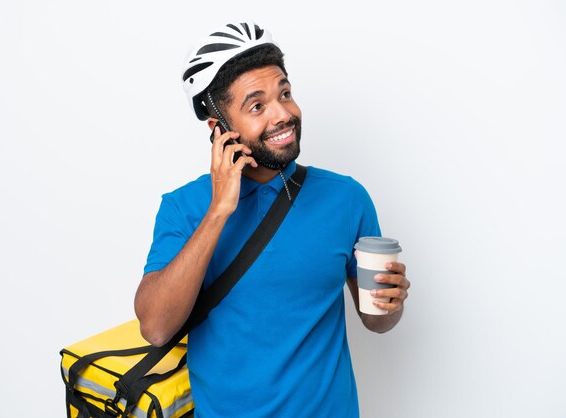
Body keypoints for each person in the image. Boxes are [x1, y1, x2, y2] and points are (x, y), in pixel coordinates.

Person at [134, 20, 410, 417]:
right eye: (257, 105)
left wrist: (391, 302)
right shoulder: (184, 207)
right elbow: (156, 326)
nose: (283, 114)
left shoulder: (347, 198)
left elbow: (377, 321)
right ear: (220, 130)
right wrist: (219, 211)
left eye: (285, 93)